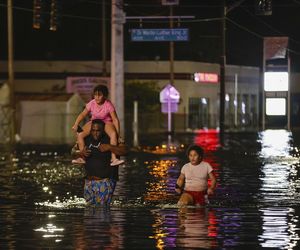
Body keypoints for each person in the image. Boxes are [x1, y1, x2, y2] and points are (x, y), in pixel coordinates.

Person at [72, 84, 124, 166]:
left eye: (100, 95)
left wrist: (118, 135)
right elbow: (83, 114)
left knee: (113, 134)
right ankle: (82, 158)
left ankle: (114, 158)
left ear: (104, 95)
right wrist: (76, 123)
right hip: (94, 122)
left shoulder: (108, 104)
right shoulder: (91, 103)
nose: (97, 97)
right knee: (80, 134)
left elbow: (115, 119)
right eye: (95, 95)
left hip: (106, 122)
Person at [79, 119, 128, 206]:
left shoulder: (112, 139)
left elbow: (125, 151)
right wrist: (80, 152)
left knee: (101, 210)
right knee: (89, 210)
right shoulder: (86, 138)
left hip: (105, 181)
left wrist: (109, 147)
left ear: (103, 130)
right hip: (89, 182)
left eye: (98, 131)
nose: (95, 133)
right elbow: (72, 152)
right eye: (93, 130)